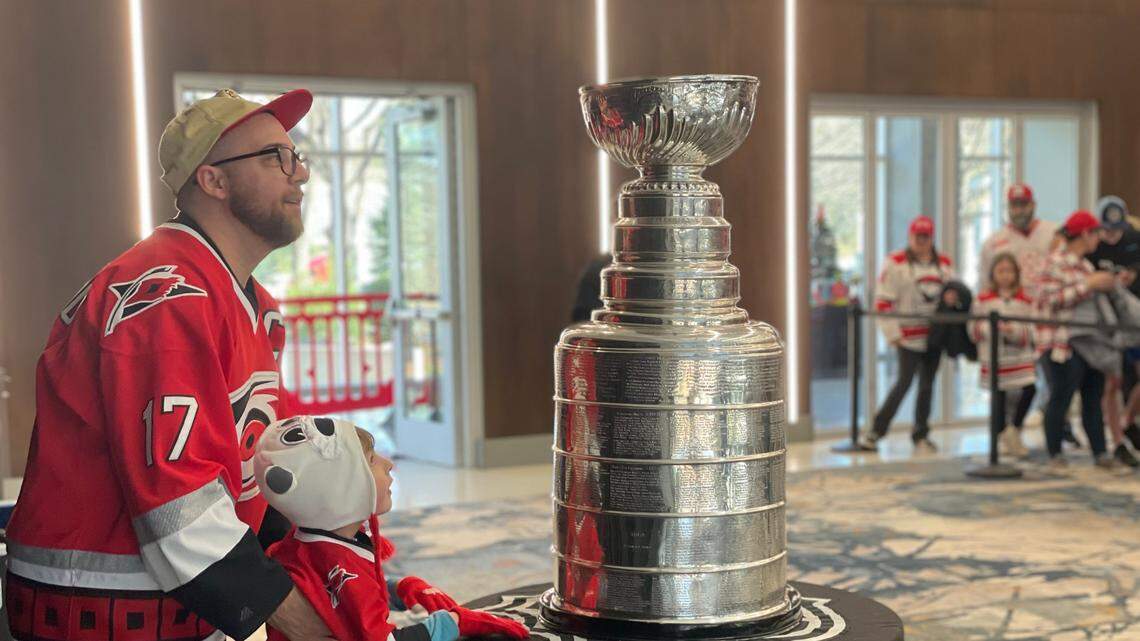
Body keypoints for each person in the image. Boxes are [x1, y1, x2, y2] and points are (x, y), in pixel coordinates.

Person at [3, 89, 333, 641]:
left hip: (167, 598)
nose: (297, 174)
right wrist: (308, 625)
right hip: (97, 607)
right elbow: (179, 505)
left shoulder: (246, 300)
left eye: (295, 156)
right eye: (274, 157)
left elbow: (257, 452)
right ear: (214, 181)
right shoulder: (166, 298)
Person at [254, 415, 530, 641]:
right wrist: (453, 622)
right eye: (372, 460)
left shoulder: (302, 545)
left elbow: (337, 598)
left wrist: (398, 589)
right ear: (342, 489)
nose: (389, 464)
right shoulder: (346, 570)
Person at [862, 215, 957, 454]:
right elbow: (883, 302)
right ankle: (876, 430)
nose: (922, 241)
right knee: (904, 383)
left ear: (931, 237)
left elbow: (954, 294)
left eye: (926, 237)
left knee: (927, 385)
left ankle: (921, 433)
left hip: (935, 336)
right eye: (918, 236)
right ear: (910, 236)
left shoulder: (944, 264)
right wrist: (891, 333)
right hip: (908, 336)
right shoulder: (895, 263)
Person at [1036, 210, 1121, 469]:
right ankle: (1054, 453)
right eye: (1096, 233)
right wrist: (1089, 285)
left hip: (1091, 344)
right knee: (1061, 397)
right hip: (1060, 343)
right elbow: (1048, 299)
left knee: (1092, 397)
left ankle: (1100, 452)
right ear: (1086, 233)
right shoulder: (1053, 263)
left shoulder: (1086, 266)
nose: (1099, 239)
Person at [1087, 195, 1140, 466]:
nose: (1111, 236)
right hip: (1105, 322)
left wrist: (1132, 273)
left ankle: (1127, 420)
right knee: (1112, 381)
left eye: (1116, 231)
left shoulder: (1135, 238)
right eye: (1105, 230)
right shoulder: (1090, 248)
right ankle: (1118, 440)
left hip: (1133, 317)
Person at [968, 253, 1037, 458]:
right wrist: (992, 329)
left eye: (1009, 271)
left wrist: (1014, 330)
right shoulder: (982, 299)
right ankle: (1000, 439)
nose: (1005, 275)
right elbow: (973, 328)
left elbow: (1033, 326)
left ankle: (1013, 430)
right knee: (998, 396)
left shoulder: (1025, 299)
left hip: (1020, 356)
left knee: (1029, 388)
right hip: (994, 356)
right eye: (1001, 271)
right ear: (993, 274)